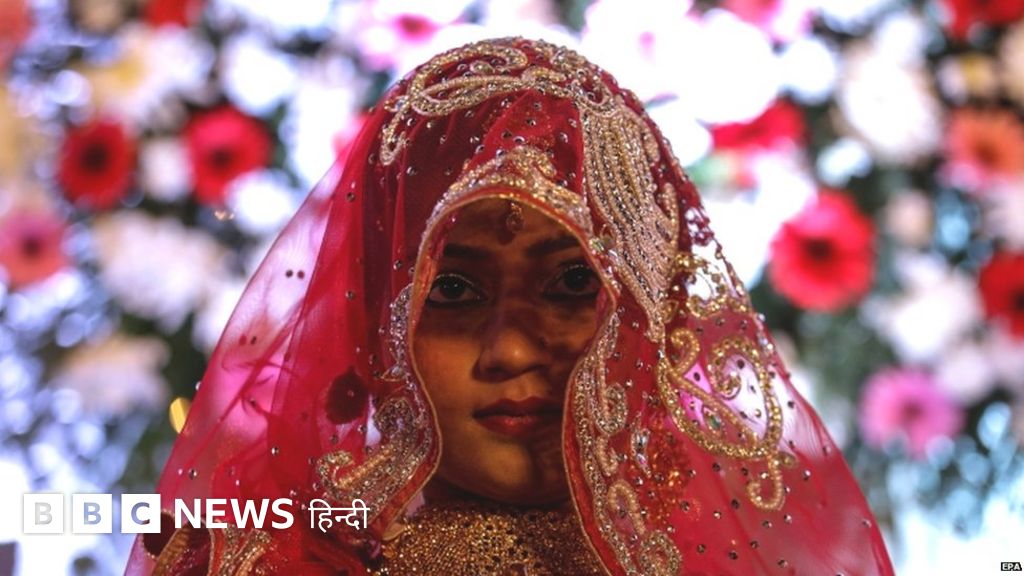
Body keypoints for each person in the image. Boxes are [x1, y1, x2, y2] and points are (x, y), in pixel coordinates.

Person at [126, 37, 895, 575]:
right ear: (377, 325)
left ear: (653, 310)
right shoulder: (268, 561)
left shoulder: (755, 558)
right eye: (452, 291)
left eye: (572, 285)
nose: (514, 350)